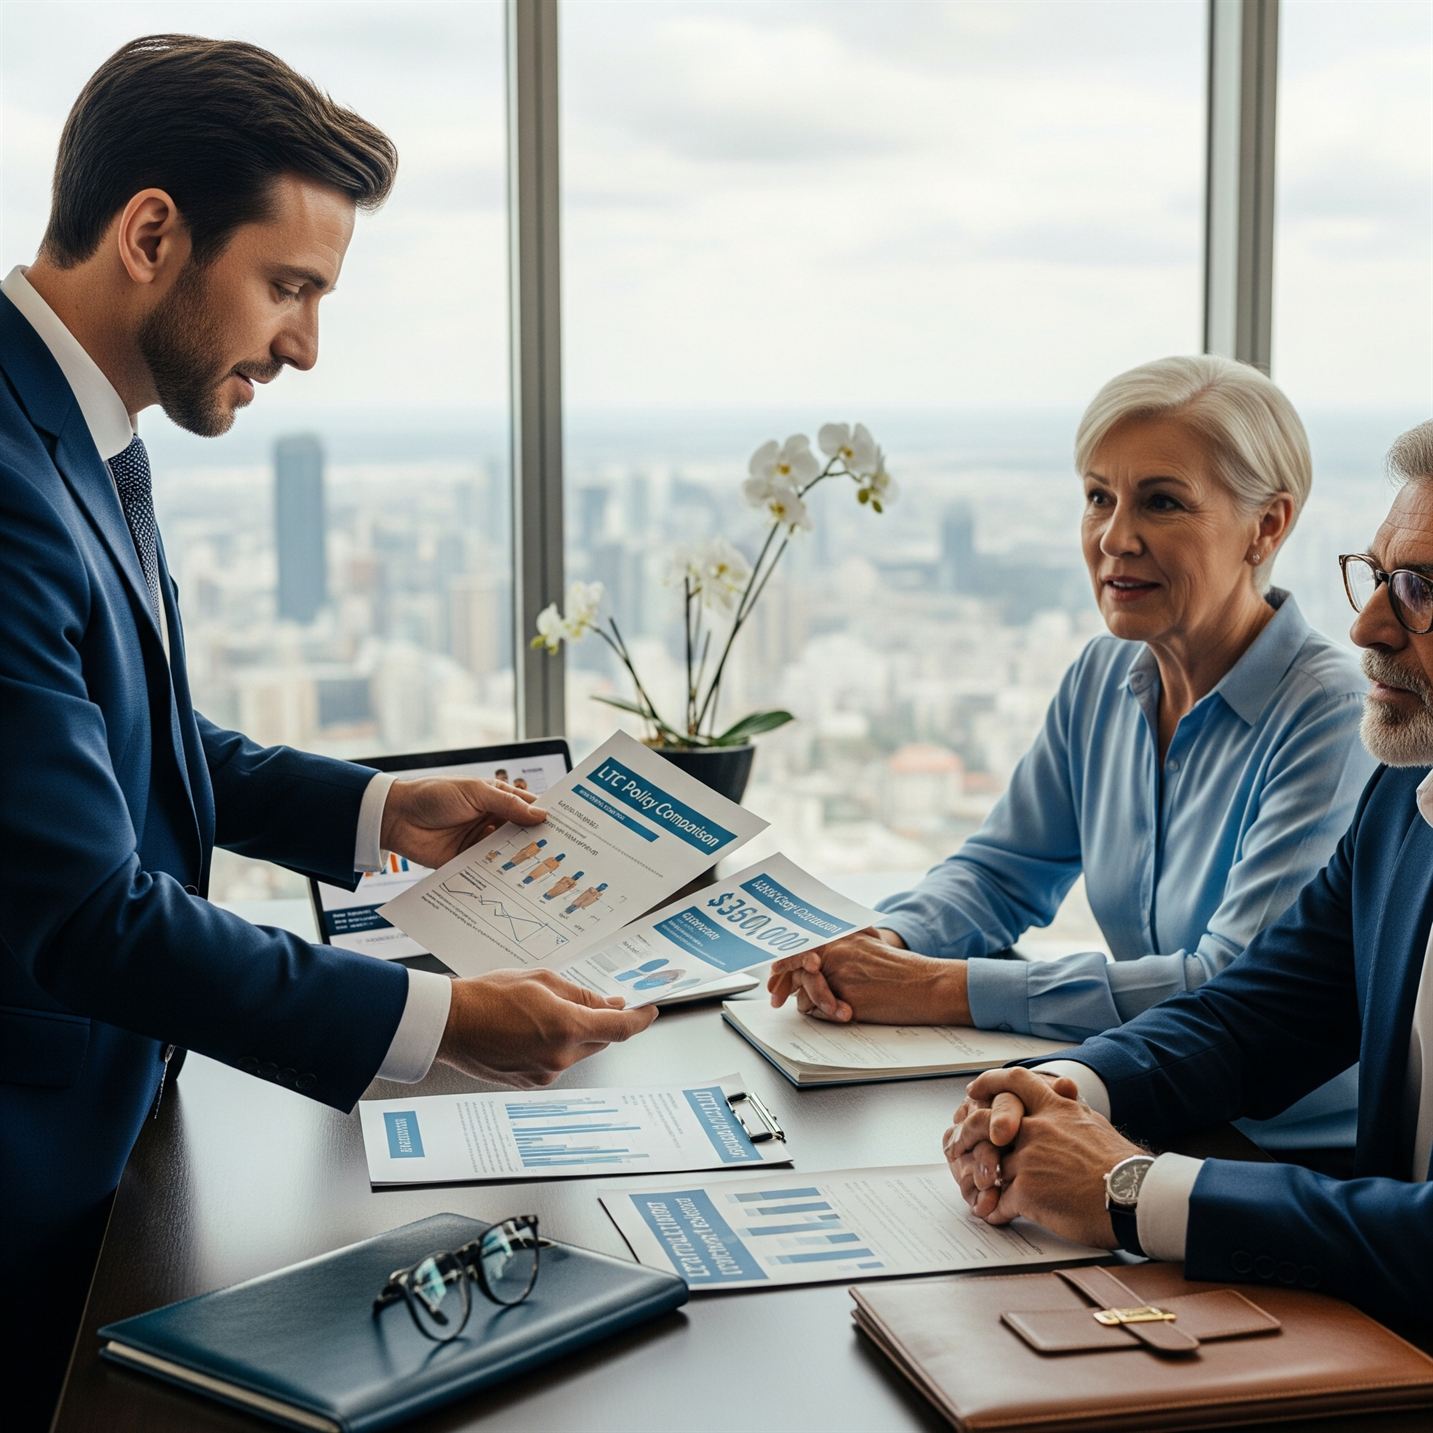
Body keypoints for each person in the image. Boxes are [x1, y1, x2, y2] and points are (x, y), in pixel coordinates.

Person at [0, 36, 655, 1424]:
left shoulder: (69, 424)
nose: (304, 342)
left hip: (99, 1135)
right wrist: (443, 1022)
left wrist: (371, 812)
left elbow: (131, 732)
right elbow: (82, 915)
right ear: (153, 232)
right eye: (287, 286)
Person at [769, 354, 1373, 1153]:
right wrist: (888, 944)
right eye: (1097, 498)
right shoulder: (1102, 675)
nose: (1114, 537)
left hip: (1279, 1152)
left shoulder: (1330, 714)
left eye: (1160, 502)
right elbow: (999, 871)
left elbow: (1226, 989)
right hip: (1144, 1105)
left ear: (1266, 526)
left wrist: (939, 989)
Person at [943, 422, 1433, 1326]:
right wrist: (1062, 1090)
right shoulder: (1409, 801)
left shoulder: (1342, 728)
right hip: (1361, 1321)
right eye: (1374, 576)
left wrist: (1130, 1190)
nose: (1367, 624)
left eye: (1419, 592)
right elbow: (1255, 1014)